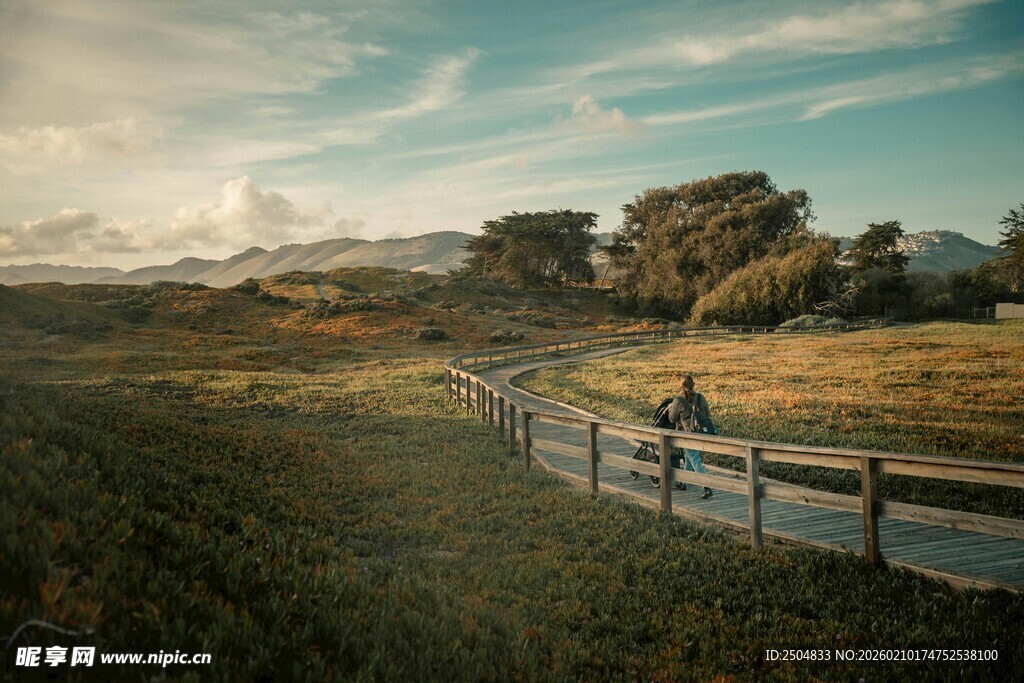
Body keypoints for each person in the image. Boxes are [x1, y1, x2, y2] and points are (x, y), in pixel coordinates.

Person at [667, 373, 713, 499]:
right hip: (701, 433)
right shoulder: (700, 397)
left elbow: (672, 419)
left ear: (681, 385)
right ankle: (683, 482)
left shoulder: (678, 400)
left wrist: (670, 408)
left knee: (694, 458)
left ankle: (706, 486)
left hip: (687, 434)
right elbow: (708, 415)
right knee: (689, 456)